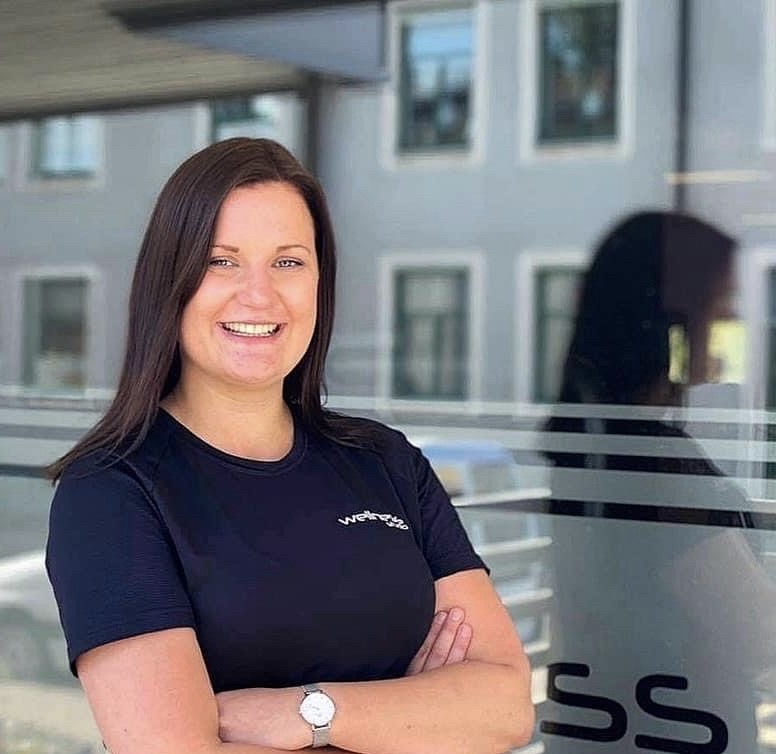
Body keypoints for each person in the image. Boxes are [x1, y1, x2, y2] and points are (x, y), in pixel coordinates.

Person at [44, 138, 534, 754]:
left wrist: (309, 713)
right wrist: (419, 718)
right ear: (171, 281)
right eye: (222, 261)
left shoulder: (386, 462)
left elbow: (507, 707)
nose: (260, 295)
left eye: (288, 262)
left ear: (319, 283)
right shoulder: (112, 492)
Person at [542, 211, 776, 753]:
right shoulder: (651, 466)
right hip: (677, 733)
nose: (732, 320)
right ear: (667, 322)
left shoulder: (602, 445)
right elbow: (758, 632)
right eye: (722, 304)